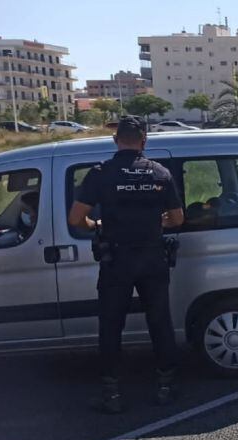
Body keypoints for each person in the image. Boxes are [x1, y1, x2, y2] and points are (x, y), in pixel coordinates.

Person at [68, 116, 185, 414]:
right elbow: (177, 219)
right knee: (159, 322)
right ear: (144, 141)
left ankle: (112, 394)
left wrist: (95, 223)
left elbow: (75, 219)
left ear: (116, 140)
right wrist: (154, 222)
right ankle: (166, 387)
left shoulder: (101, 174)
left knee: (110, 326)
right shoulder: (160, 173)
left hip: (116, 260)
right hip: (152, 257)